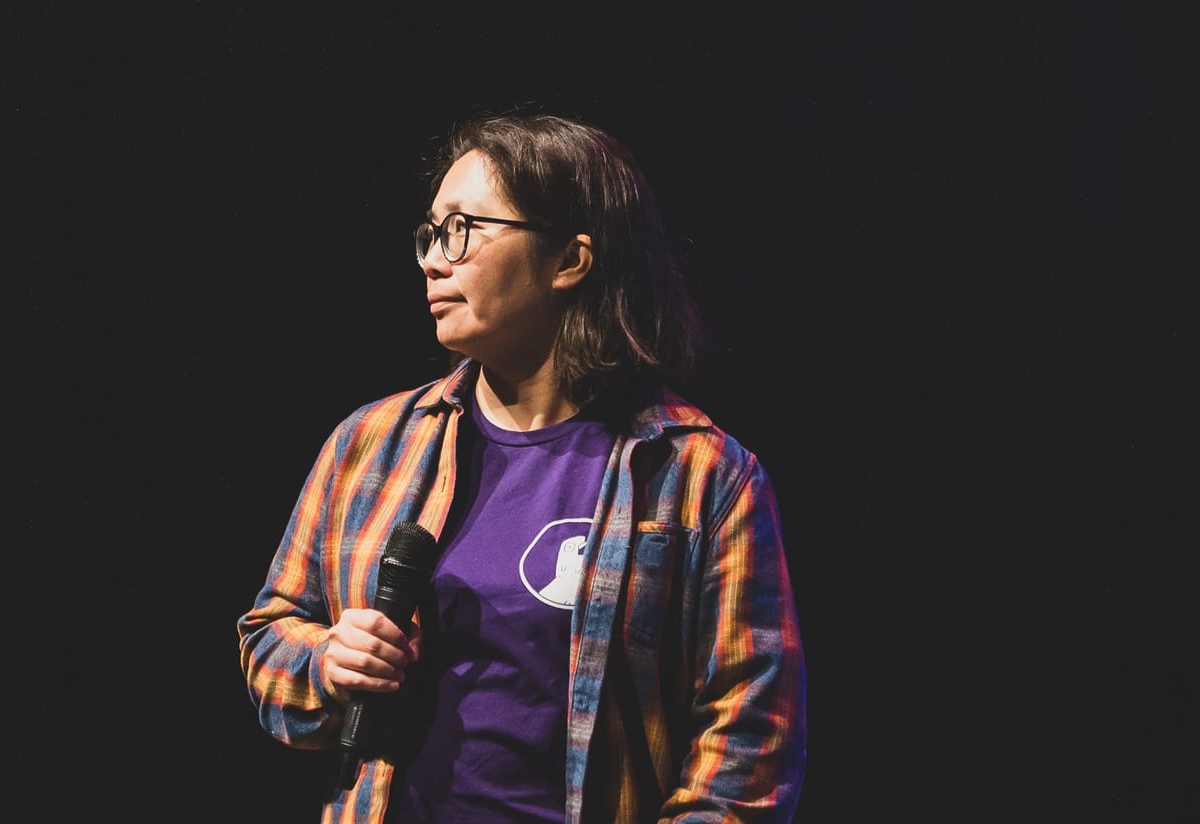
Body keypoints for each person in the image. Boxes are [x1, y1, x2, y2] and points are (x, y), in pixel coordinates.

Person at [235, 110, 808, 823]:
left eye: (462, 230)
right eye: (431, 234)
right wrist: (328, 663)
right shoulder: (372, 443)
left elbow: (750, 744)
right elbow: (270, 638)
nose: (434, 260)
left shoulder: (700, 476)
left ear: (569, 260)